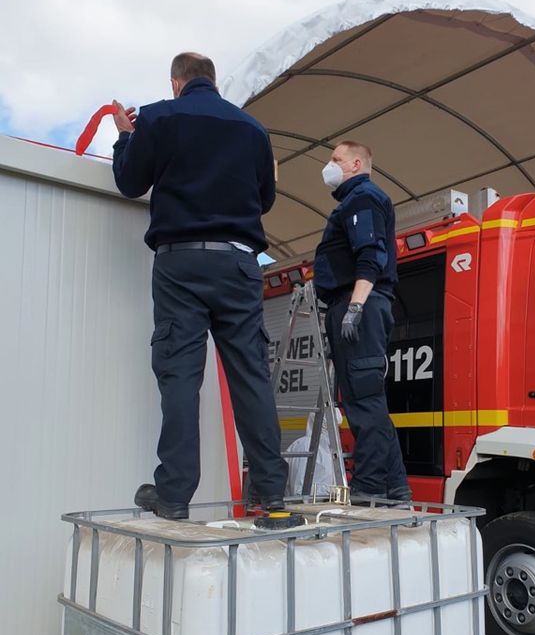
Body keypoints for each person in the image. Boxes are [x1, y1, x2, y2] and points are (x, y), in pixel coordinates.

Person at [112, 52, 297, 528]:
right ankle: (274, 499)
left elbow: (131, 183)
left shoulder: (158, 117)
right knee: (250, 377)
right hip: (238, 262)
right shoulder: (253, 130)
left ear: (176, 83)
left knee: (180, 376)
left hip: (181, 263)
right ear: (213, 82)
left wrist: (124, 138)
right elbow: (264, 198)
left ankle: (174, 496)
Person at [313, 141, 411, 504]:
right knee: (370, 401)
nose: (329, 165)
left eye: (335, 160)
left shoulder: (362, 198)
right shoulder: (357, 200)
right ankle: (396, 489)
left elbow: (369, 255)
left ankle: (368, 490)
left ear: (356, 164)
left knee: (363, 403)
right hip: (364, 304)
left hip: (361, 304)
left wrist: (354, 307)